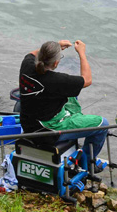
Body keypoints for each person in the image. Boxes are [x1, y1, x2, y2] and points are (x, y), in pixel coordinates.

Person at [19, 39, 108, 172]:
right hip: (47, 130)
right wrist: (82, 53)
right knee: (103, 124)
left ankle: (77, 124)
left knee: (72, 92)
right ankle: (88, 164)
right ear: (56, 63)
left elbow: (33, 53)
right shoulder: (57, 80)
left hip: (28, 120)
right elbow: (87, 79)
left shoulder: (27, 65)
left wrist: (55, 47)